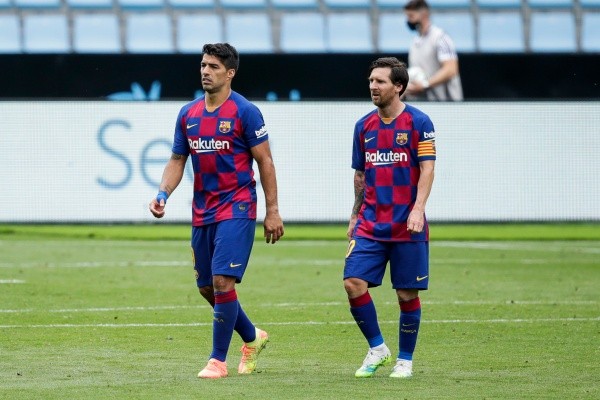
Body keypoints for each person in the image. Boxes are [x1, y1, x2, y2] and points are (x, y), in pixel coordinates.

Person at [149, 43, 284, 379]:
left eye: (213, 66)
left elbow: (265, 161)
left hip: (237, 206)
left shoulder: (245, 111)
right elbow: (177, 160)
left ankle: (217, 361)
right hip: (203, 210)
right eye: (203, 65)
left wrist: (272, 211)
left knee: (223, 281)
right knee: (208, 288)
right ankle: (252, 337)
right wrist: (163, 192)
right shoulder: (188, 114)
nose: (205, 71)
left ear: (230, 73)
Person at [344, 57, 436, 379]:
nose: (373, 86)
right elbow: (360, 175)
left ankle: (405, 361)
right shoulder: (363, 126)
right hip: (370, 222)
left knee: (406, 293)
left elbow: (427, 169)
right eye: (371, 80)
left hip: (406, 224)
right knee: (353, 282)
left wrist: (418, 208)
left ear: (398, 86)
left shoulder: (419, 122)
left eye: (380, 81)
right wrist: (354, 215)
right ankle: (378, 348)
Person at [403, 0, 463, 101]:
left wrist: (424, 84)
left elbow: (451, 69)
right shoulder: (415, 42)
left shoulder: (440, 37)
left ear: (424, 15)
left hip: (448, 103)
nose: (408, 20)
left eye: (411, 16)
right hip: (427, 103)